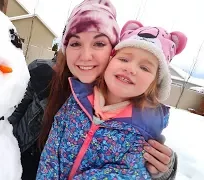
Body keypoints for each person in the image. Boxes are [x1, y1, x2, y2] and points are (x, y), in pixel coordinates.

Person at [9, 0, 177, 179]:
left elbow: (136, 165)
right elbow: (1, 127)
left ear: (113, 50)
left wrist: (164, 169)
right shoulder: (41, 75)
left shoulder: (137, 112)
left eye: (99, 44)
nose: (86, 56)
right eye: (75, 43)